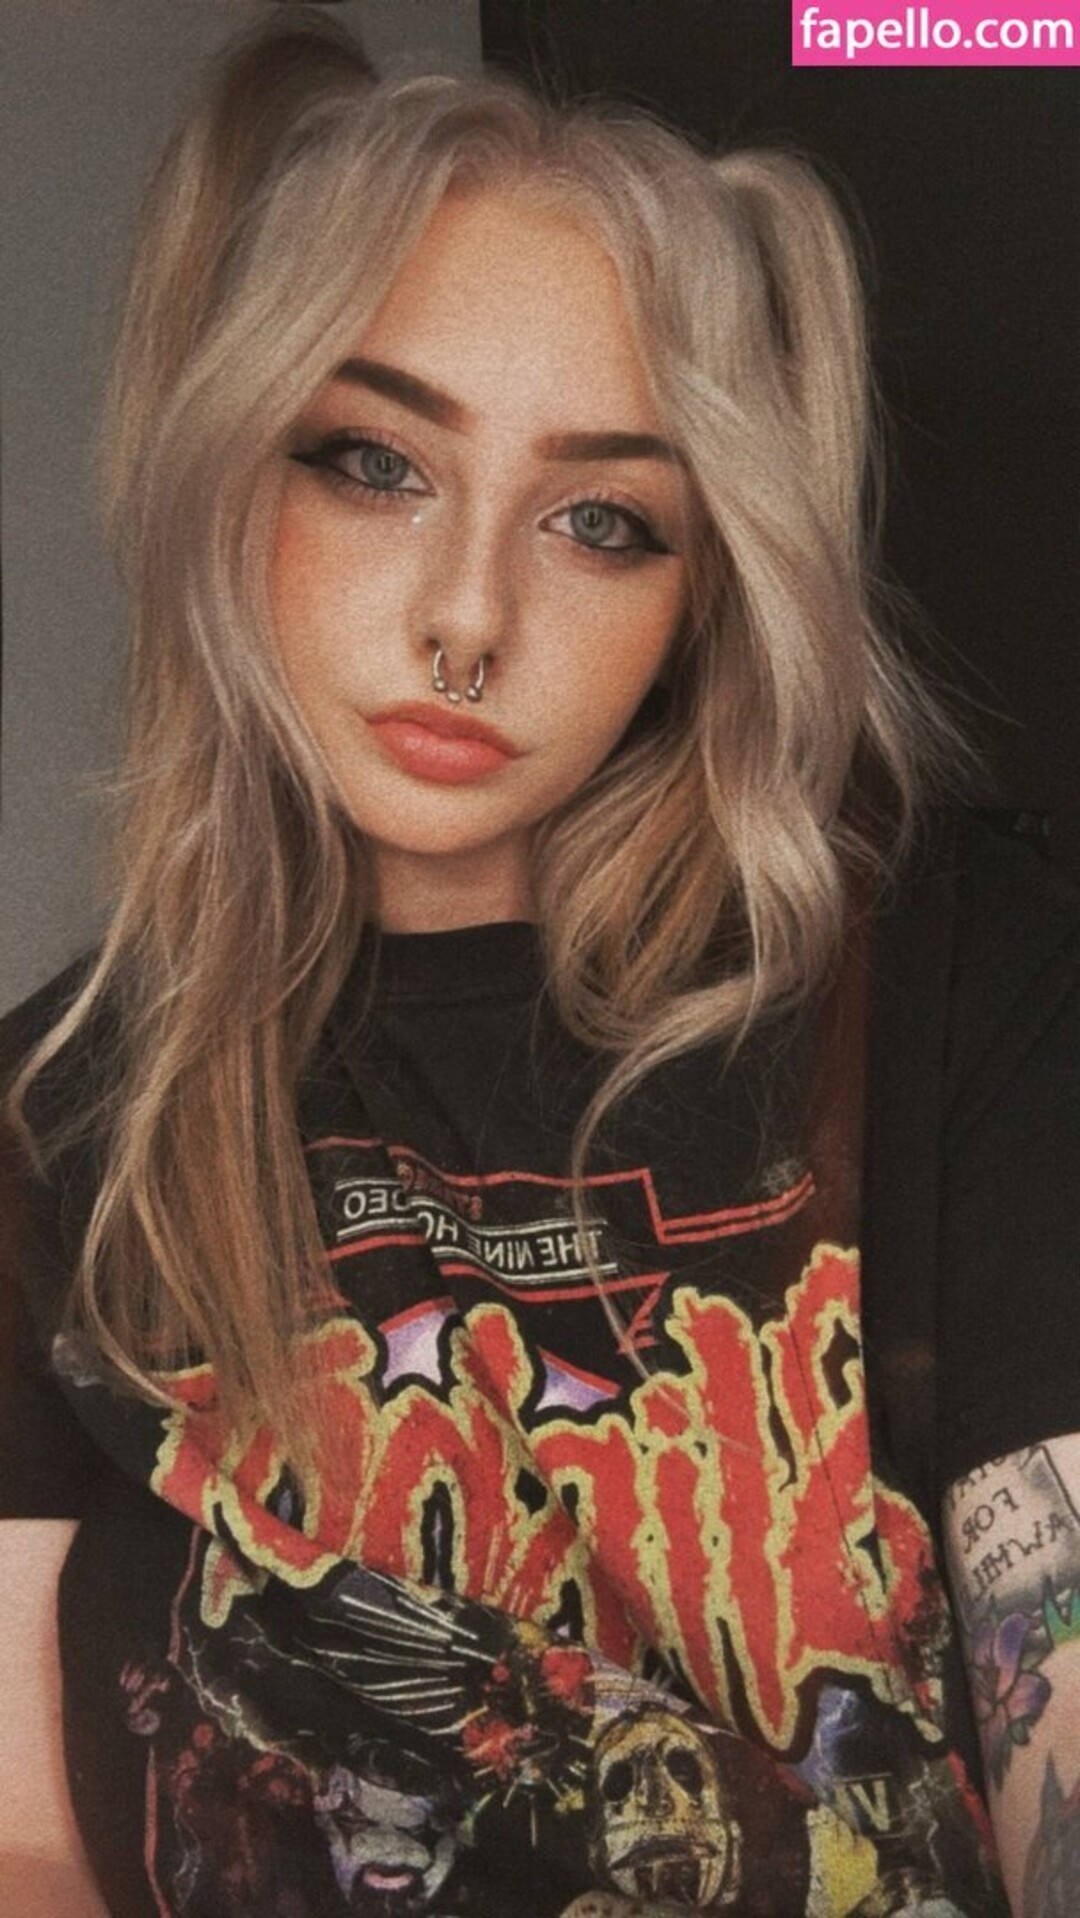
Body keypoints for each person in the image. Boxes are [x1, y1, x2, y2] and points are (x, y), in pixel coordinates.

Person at [2, 16, 1078, 1916]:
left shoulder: (950, 992)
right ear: (234, 466)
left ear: (702, 587)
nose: (469, 615)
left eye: (601, 520)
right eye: (375, 461)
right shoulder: (45, 1138)